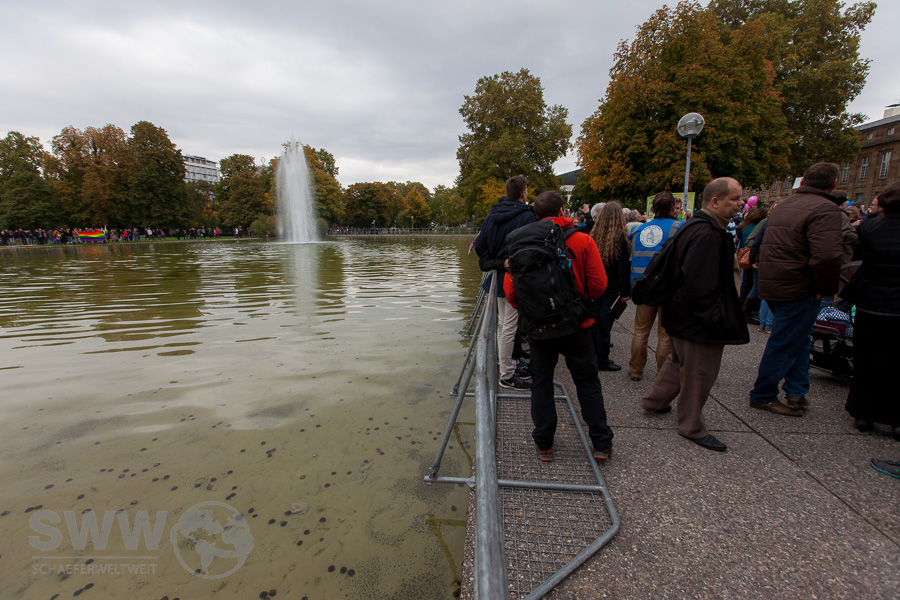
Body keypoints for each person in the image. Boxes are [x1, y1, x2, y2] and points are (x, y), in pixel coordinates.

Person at [639, 178, 749, 452]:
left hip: (682, 313)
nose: (741, 203)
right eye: (735, 198)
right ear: (715, 201)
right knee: (698, 372)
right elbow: (700, 283)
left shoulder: (696, 226)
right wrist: (711, 318)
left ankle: (654, 401)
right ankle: (691, 425)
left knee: (679, 362)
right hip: (698, 318)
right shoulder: (707, 233)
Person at [504, 191, 614, 462]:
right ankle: (601, 443)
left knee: (541, 383)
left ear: (536, 215)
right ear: (563, 211)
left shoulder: (521, 244)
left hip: (539, 328)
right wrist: (576, 304)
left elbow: (511, 293)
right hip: (577, 325)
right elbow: (599, 285)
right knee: (586, 381)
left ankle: (544, 444)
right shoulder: (581, 239)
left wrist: (535, 311)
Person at [750, 162, 843, 415]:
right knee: (785, 341)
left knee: (798, 339)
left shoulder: (785, 205)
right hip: (799, 285)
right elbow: (827, 256)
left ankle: (796, 392)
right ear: (833, 183)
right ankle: (763, 394)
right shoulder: (824, 208)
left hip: (777, 282)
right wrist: (824, 288)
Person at [840, 181, 900, 440]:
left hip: (870, 302)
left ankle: (863, 412)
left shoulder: (869, 228)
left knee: (867, 358)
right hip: (895, 306)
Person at [474, 175, 537, 390]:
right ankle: (507, 376)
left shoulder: (492, 215)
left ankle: (506, 365)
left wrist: (497, 262)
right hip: (515, 278)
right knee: (509, 326)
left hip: (498, 278)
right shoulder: (527, 216)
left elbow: (480, 246)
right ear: (523, 193)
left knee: (503, 324)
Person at [627, 191, 680, 381]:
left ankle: (635, 370)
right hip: (668, 288)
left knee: (640, 331)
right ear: (673, 207)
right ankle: (662, 375)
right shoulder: (680, 228)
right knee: (665, 335)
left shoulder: (638, 230)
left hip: (643, 286)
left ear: (652, 208)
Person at [589, 202, 631, 371]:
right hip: (612, 285)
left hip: (598, 283)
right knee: (605, 323)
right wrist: (625, 290)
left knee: (596, 321)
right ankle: (602, 359)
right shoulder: (620, 237)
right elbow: (623, 268)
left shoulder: (595, 234)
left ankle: (594, 354)